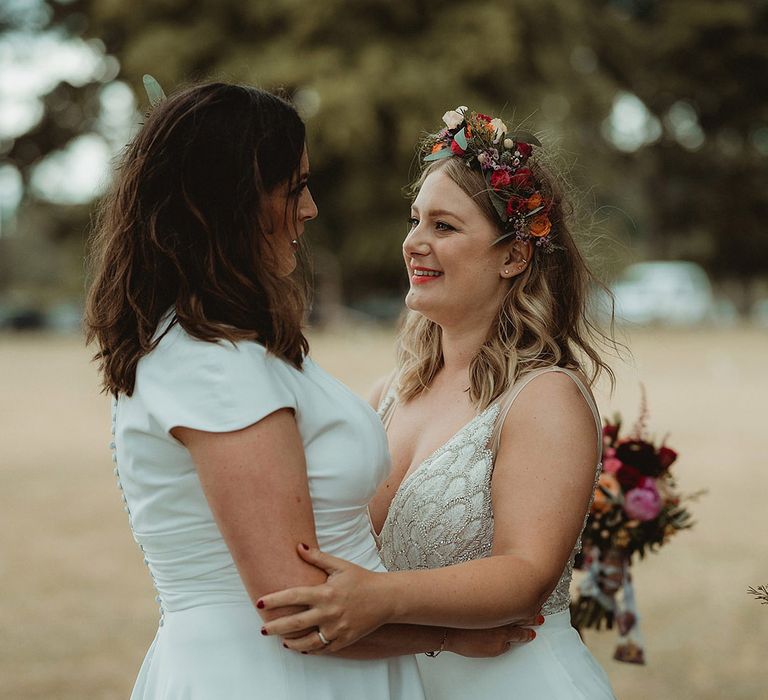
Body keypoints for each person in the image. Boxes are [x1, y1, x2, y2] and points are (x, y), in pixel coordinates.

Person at [85, 86, 538, 699]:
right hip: (274, 678)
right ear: (236, 201)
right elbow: (298, 610)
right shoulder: (213, 366)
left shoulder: (221, 345)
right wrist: (446, 636)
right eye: (295, 187)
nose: (311, 209)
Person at [258, 107, 618, 699]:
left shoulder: (544, 397)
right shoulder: (387, 395)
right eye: (414, 220)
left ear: (513, 256)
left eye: (444, 227)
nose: (414, 243)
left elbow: (526, 574)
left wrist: (384, 598)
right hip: (407, 680)